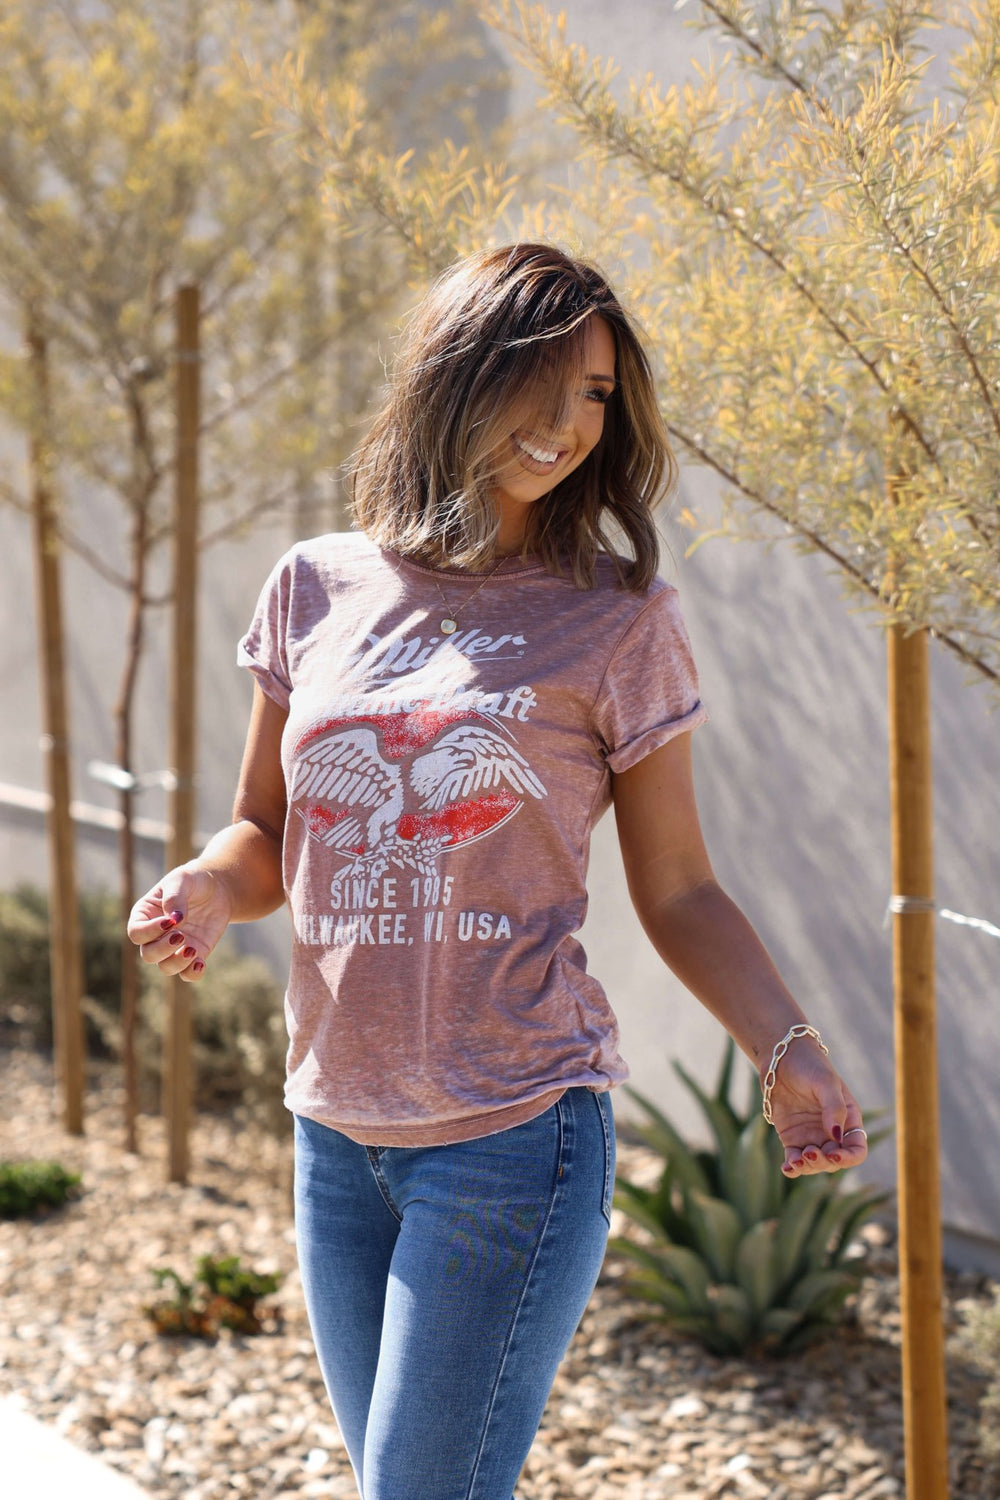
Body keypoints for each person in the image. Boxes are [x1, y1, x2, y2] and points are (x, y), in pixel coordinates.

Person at [128, 243, 867, 1500]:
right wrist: (207, 883)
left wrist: (785, 1045)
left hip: (515, 1137)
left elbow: (679, 886)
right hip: (334, 1133)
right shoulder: (315, 587)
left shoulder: (618, 618)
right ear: (461, 373)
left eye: (597, 396)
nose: (572, 425)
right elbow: (266, 831)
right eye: (547, 382)